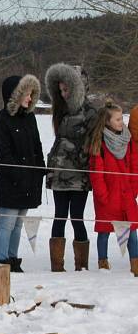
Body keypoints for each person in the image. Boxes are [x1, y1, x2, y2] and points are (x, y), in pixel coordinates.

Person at [45, 63, 98, 272]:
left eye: (67, 89)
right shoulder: (60, 109)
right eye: (60, 90)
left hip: (79, 175)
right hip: (59, 173)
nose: (63, 93)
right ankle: (57, 265)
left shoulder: (90, 113)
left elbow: (92, 144)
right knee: (59, 215)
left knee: (77, 216)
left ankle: (81, 265)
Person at [0, 75, 45, 272]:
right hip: (11, 180)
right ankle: (2, 259)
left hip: (30, 179)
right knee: (7, 222)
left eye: (31, 94)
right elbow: (3, 153)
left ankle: (13, 258)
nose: (30, 99)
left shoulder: (30, 117)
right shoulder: (1, 120)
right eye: (26, 94)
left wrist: (40, 169)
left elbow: (37, 146)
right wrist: (19, 174)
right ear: (15, 95)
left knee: (18, 223)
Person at [88, 100, 138, 275]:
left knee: (132, 231)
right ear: (107, 122)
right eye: (117, 119)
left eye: (121, 118)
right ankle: (103, 264)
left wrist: (133, 190)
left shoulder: (128, 140)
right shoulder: (99, 143)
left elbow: (134, 165)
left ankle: (135, 265)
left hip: (127, 196)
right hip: (108, 198)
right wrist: (104, 197)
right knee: (104, 232)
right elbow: (96, 175)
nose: (121, 122)